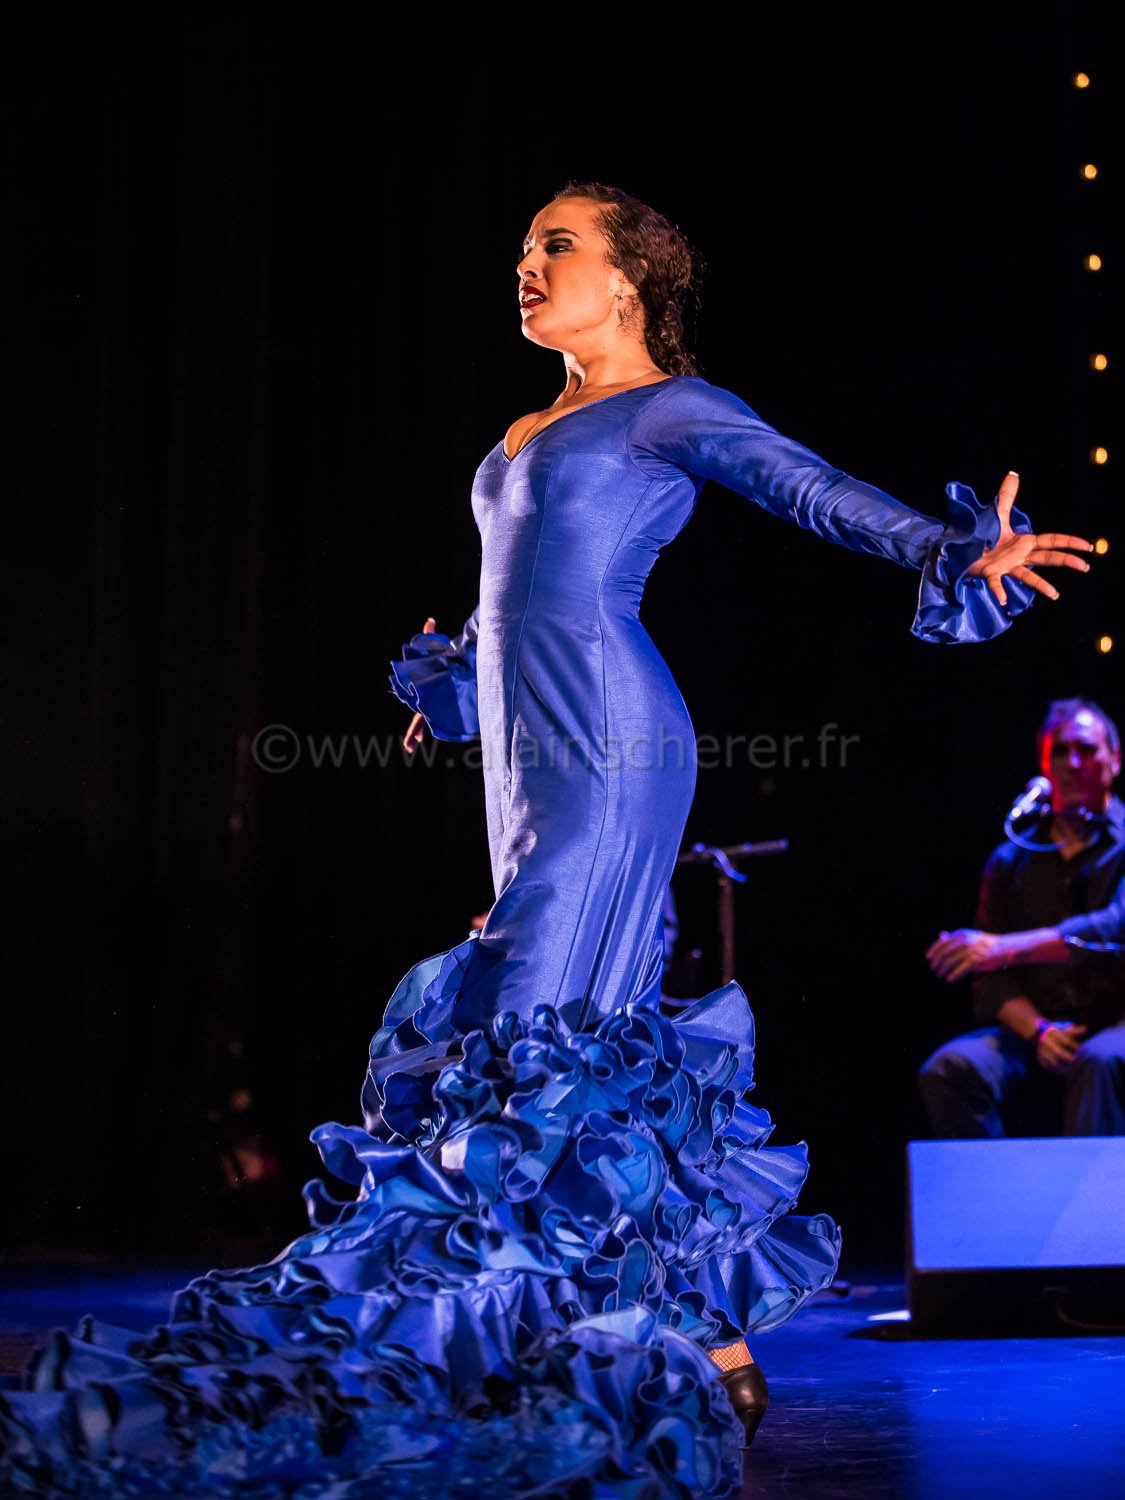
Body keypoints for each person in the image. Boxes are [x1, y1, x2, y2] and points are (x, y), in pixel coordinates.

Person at [0, 182, 1093, 1499]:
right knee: (577, 1041)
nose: (526, 265)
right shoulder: (524, 429)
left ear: (627, 279)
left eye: (556, 247)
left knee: (524, 1038)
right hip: (523, 758)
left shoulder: (671, 408)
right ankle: (706, 1342)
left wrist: (950, 548)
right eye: (522, 248)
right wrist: (460, 674)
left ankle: (487, 1349)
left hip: (611, 741)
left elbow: (810, 492)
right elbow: (510, 594)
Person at [920, 698, 1125, 1137]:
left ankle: (1098, 1187)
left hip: (1116, 1023)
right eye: (1060, 751)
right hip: (1035, 1027)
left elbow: (1115, 926)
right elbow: (990, 980)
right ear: (1044, 765)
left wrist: (1000, 948)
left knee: (1098, 1060)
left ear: (1115, 759)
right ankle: (992, 1184)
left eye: (1087, 749)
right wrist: (1040, 1031)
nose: (1073, 763)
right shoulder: (1010, 859)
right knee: (949, 1070)